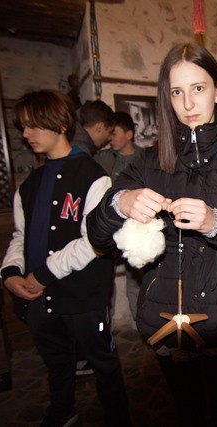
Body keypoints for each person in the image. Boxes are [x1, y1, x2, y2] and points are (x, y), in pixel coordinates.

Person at [86, 42, 217, 427]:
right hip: (167, 320)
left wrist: (216, 223)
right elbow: (96, 234)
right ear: (166, 97)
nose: (188, 102)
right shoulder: (148, 161)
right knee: (187, 412)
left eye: (198, 88)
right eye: (177, 92)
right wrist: (120, 202)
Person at [0, 89, 131, 427]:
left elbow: (94, 242)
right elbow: (20, 236)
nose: (26, 134)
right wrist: (10, 272)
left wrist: (43, 273)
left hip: (83, 295)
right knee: (57, 362)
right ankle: (62, 411)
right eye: (23, 126)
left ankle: (118, 417)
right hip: (39, 297)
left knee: (103, 363)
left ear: (59, 124)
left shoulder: (93, 176)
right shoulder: (28, 185)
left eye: (33, 125)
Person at [94, 111, 145, 325]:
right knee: (105, 279)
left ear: (129, 134)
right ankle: (106, 325)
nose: (110, 138)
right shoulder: (101, 158)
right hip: (108, 229)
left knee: (136, 279)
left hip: (136, 230)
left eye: (114, 133)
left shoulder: (145, 158)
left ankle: (139, 322)